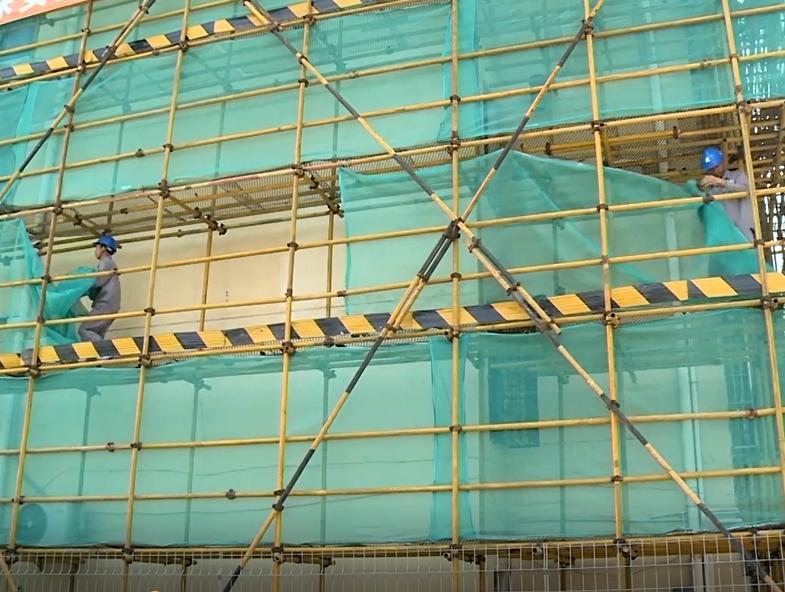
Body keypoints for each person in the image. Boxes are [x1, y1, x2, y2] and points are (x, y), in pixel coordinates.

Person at [699, 146, 754, 241]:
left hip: (745, 232)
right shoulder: (710, 189)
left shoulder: (738, 176)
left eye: (717, 166)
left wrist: (722, 182)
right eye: (711, 169)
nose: (715, 171)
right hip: (725, 236)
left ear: (722, 162)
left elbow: (746, 190)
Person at [78, 234, 121, 343]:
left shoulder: (106, 263)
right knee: (97, 334)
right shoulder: (109, 264)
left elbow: (96, 281)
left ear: (103, 248)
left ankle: (106, 352)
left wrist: (78, 287)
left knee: (84, 330)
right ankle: (103, 356)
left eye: (97, 247)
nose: (95, 250)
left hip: (105, 305)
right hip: (110, 305)